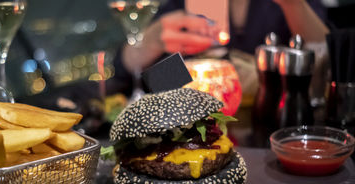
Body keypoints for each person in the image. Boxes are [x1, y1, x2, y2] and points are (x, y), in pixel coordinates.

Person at [114, 0, 329, 81]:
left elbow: (327, 59)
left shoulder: (279, 9)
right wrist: (149, 43)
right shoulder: (187, 6)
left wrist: (293, 4)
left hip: (275, 127)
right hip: (200, 125)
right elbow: (146, 81)